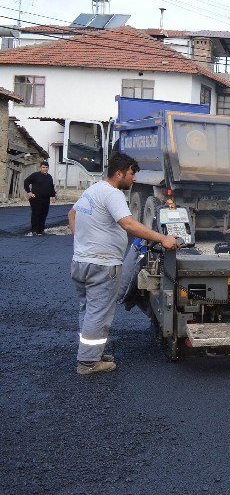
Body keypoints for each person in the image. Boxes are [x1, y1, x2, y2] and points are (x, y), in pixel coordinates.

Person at [68, 152, 181, 375]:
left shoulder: (92, 190)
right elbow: (129, 224)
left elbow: (71, 214)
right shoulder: (113, 194)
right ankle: (88, 362)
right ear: (119, 173)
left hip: (81, 261)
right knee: (99, 312)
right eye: (131, 174)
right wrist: (163, 238)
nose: (134, 179)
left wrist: (82, 241)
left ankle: (91, 352)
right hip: (102, 265)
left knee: (88, 309)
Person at [24, 161, 57, 236]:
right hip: (36, 199)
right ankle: (34, 231)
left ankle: (40, 230)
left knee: (44, 214)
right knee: (36, 214)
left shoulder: (49, 177)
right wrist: (29, 192)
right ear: (40, 168)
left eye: (46, 167)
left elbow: (51, 187)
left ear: (48, 168)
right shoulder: (35, 175)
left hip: (46, 199)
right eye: (43, 167)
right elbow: (26, 182)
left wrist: (53, 196)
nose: (45, 169)